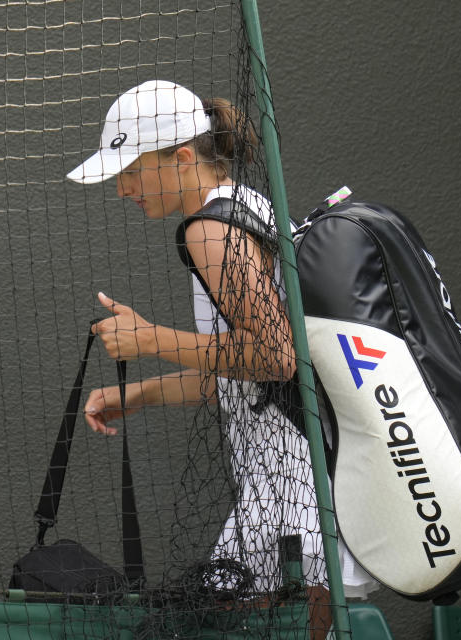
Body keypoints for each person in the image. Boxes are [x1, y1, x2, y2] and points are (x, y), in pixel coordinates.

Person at [66, 80, 377, 637]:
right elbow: (241, 376)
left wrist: (149, 338)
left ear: (182, 159)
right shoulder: (246, 209)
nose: (122, 190)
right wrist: (138, 393)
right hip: (295, 487)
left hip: (295, 493)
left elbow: (276, 356)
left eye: (131, 171)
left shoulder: (210, 230)